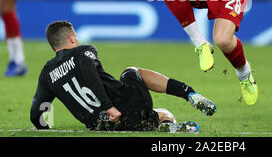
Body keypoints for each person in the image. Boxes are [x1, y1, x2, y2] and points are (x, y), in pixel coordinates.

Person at [30, 21, 216, 132]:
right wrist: (109, 106)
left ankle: (161, 124)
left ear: (53, 47)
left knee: (157, 116)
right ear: (72, 38)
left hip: (101, 126)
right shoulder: (83, 52)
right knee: (131, 72)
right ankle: (189, 94)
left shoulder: (47, 73)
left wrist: (43, 129)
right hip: (124, 107)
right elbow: (89, 75)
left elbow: (36, 114)